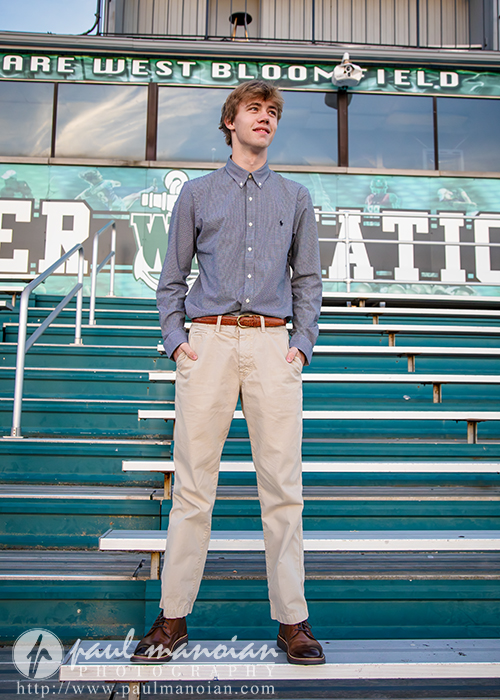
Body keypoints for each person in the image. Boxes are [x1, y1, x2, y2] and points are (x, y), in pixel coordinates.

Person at [131, 80, 324, 666]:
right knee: (193, 488)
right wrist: (177, 342)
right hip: (208, 343)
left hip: (272, 346)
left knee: (282, 490)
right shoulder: (196, 194)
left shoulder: (295, 197)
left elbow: (308, 280)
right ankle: (173, 619)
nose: (264, 119)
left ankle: (293, 621)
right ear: (230, 122)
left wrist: (301, 346)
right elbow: (171, 279)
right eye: (254, 110)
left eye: (272, 113)